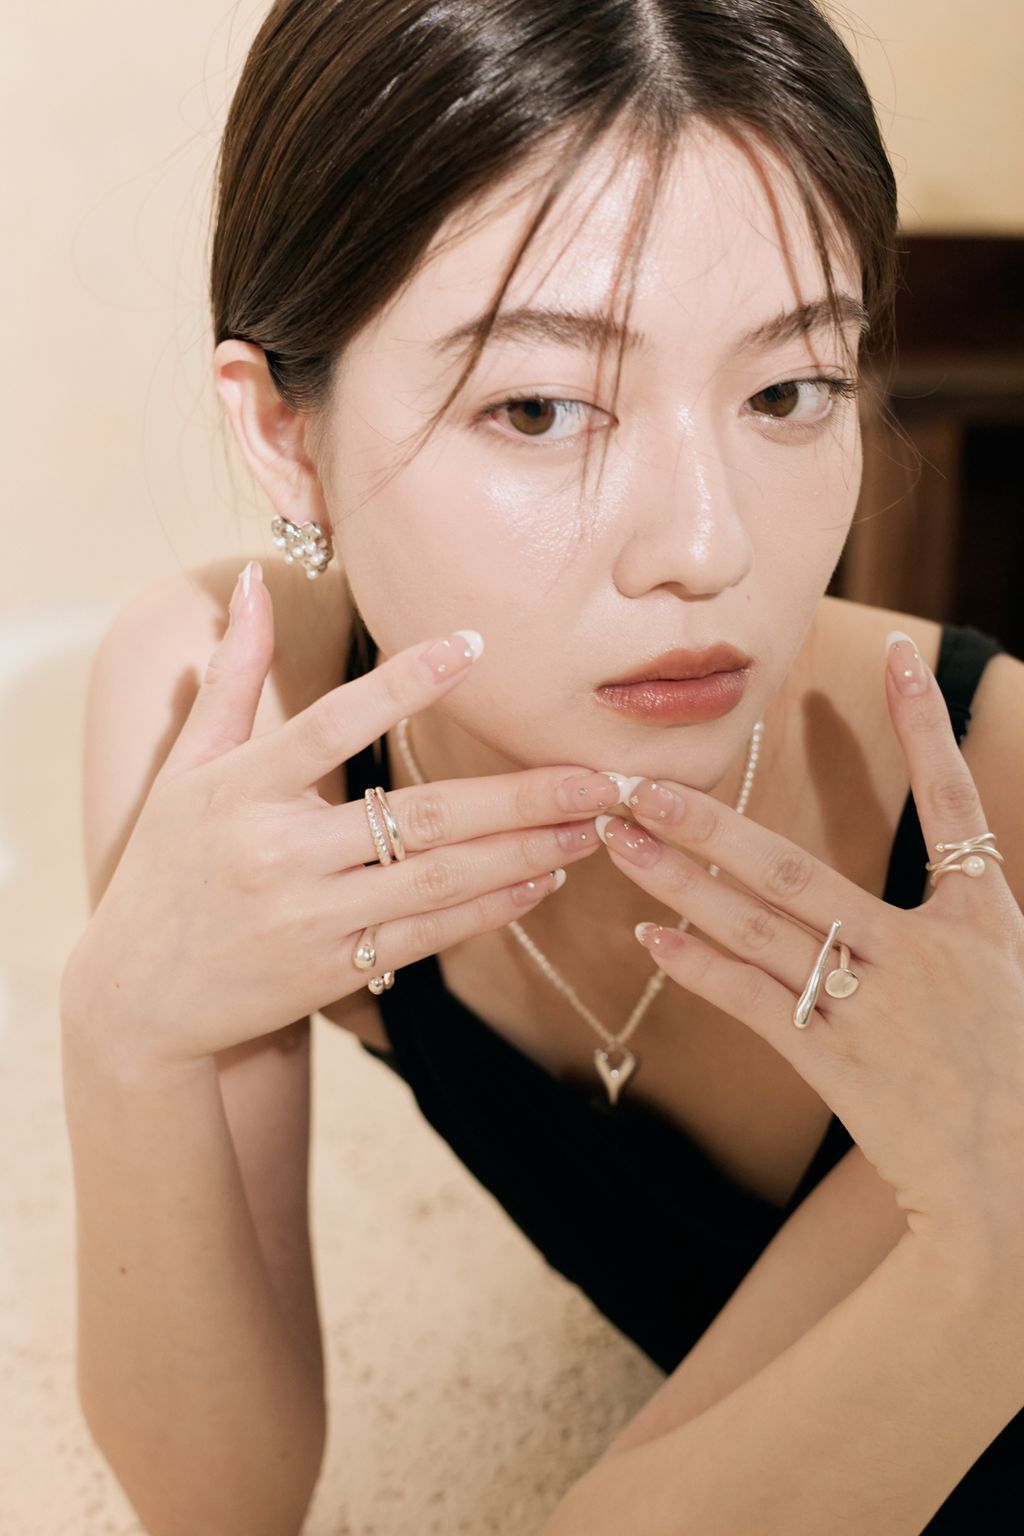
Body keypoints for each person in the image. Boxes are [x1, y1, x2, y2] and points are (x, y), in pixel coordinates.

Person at [60, 2, 1024, 1532]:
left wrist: (1003, 1261)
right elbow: (222, 1501)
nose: (707, 545)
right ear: (286, 436)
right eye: (539, 407)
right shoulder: (235, 715)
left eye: (789, 390)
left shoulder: (998, 811)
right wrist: (123, 1034)